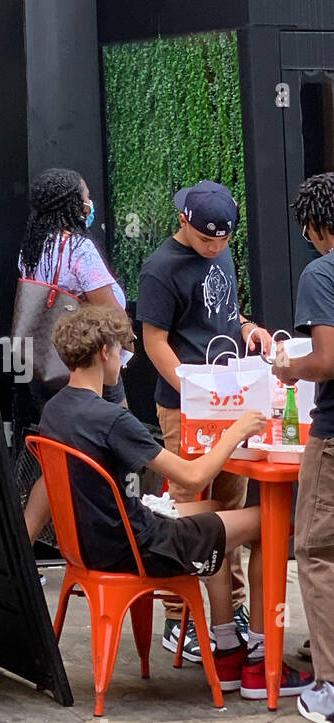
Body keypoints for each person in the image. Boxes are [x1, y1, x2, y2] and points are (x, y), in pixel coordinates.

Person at [39, 307, 312, 699]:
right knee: (270, 519)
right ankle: (258, 660)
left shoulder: (56, 409)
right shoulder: (113, 420)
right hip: (135, 545)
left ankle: (227, 648)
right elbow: (194, 476)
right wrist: (236, 430)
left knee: (216, 509)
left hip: (92, 542)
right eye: (120, 351)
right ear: (103, 353)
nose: (123, 361)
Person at [137, 180, 273, 662]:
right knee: (187, 503)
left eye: (223, 240)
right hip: (183, 404)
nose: (214, 247)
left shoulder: (223, 257)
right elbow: (154, 341)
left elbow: (226, 316)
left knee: (229, 505)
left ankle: (230, 609)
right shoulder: (160, 269)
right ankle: (179, 617)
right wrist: (191, 388)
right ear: (184, 223)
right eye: (205, 239)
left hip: (229, 397)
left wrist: (251, 329)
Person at [17, 167, 129, 546]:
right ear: (71, 204)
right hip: (92, 370)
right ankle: (108, 546)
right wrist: (129, 343)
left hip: (47, 369)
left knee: (55, 465)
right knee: (117, 455)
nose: (90, 203)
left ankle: (23, 547)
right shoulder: (79, 250)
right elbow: (110, 312)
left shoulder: (32, 249)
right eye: (84, 196)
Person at [274, 172, 334, 723]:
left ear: (316, 227)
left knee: (315, 551)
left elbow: (327, 360)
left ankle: (330, 686)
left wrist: (289, 368)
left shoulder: (322, 270)